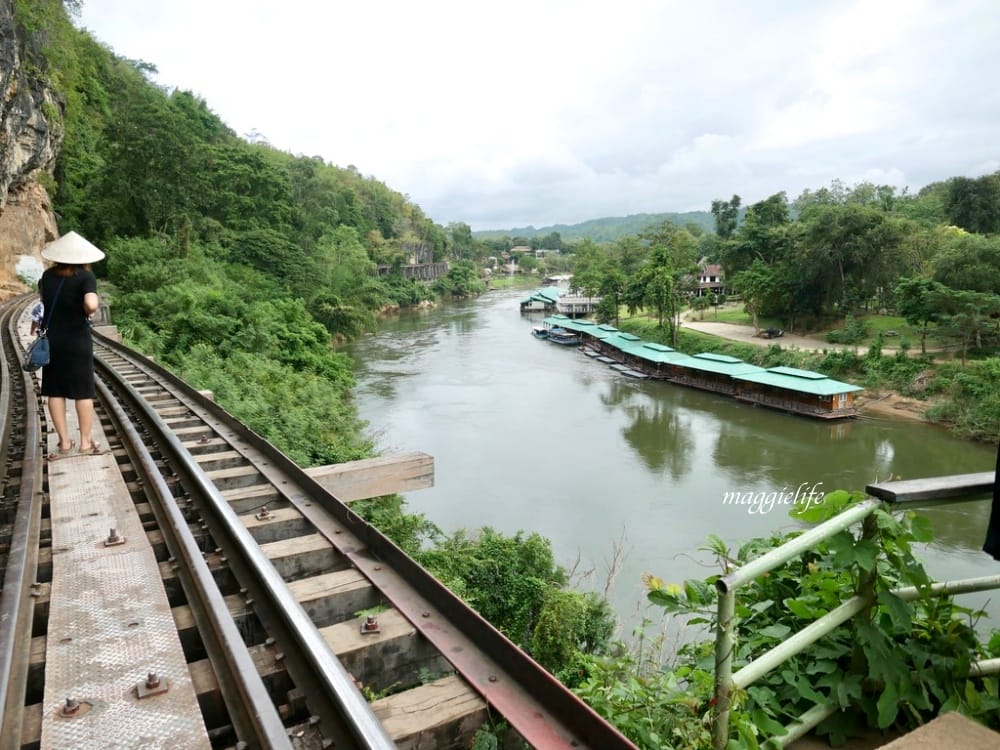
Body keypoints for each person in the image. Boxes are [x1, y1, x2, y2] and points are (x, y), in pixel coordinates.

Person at [38, 231, 105, 459]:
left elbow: (44, 302)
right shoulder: (85, 277)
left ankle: (65, 442)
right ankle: (85, 442)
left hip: (52, 341)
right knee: (83, 392)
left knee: (55, 391)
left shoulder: (47, 276)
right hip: (77, 340)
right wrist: (88, 308)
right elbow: (91, 304)